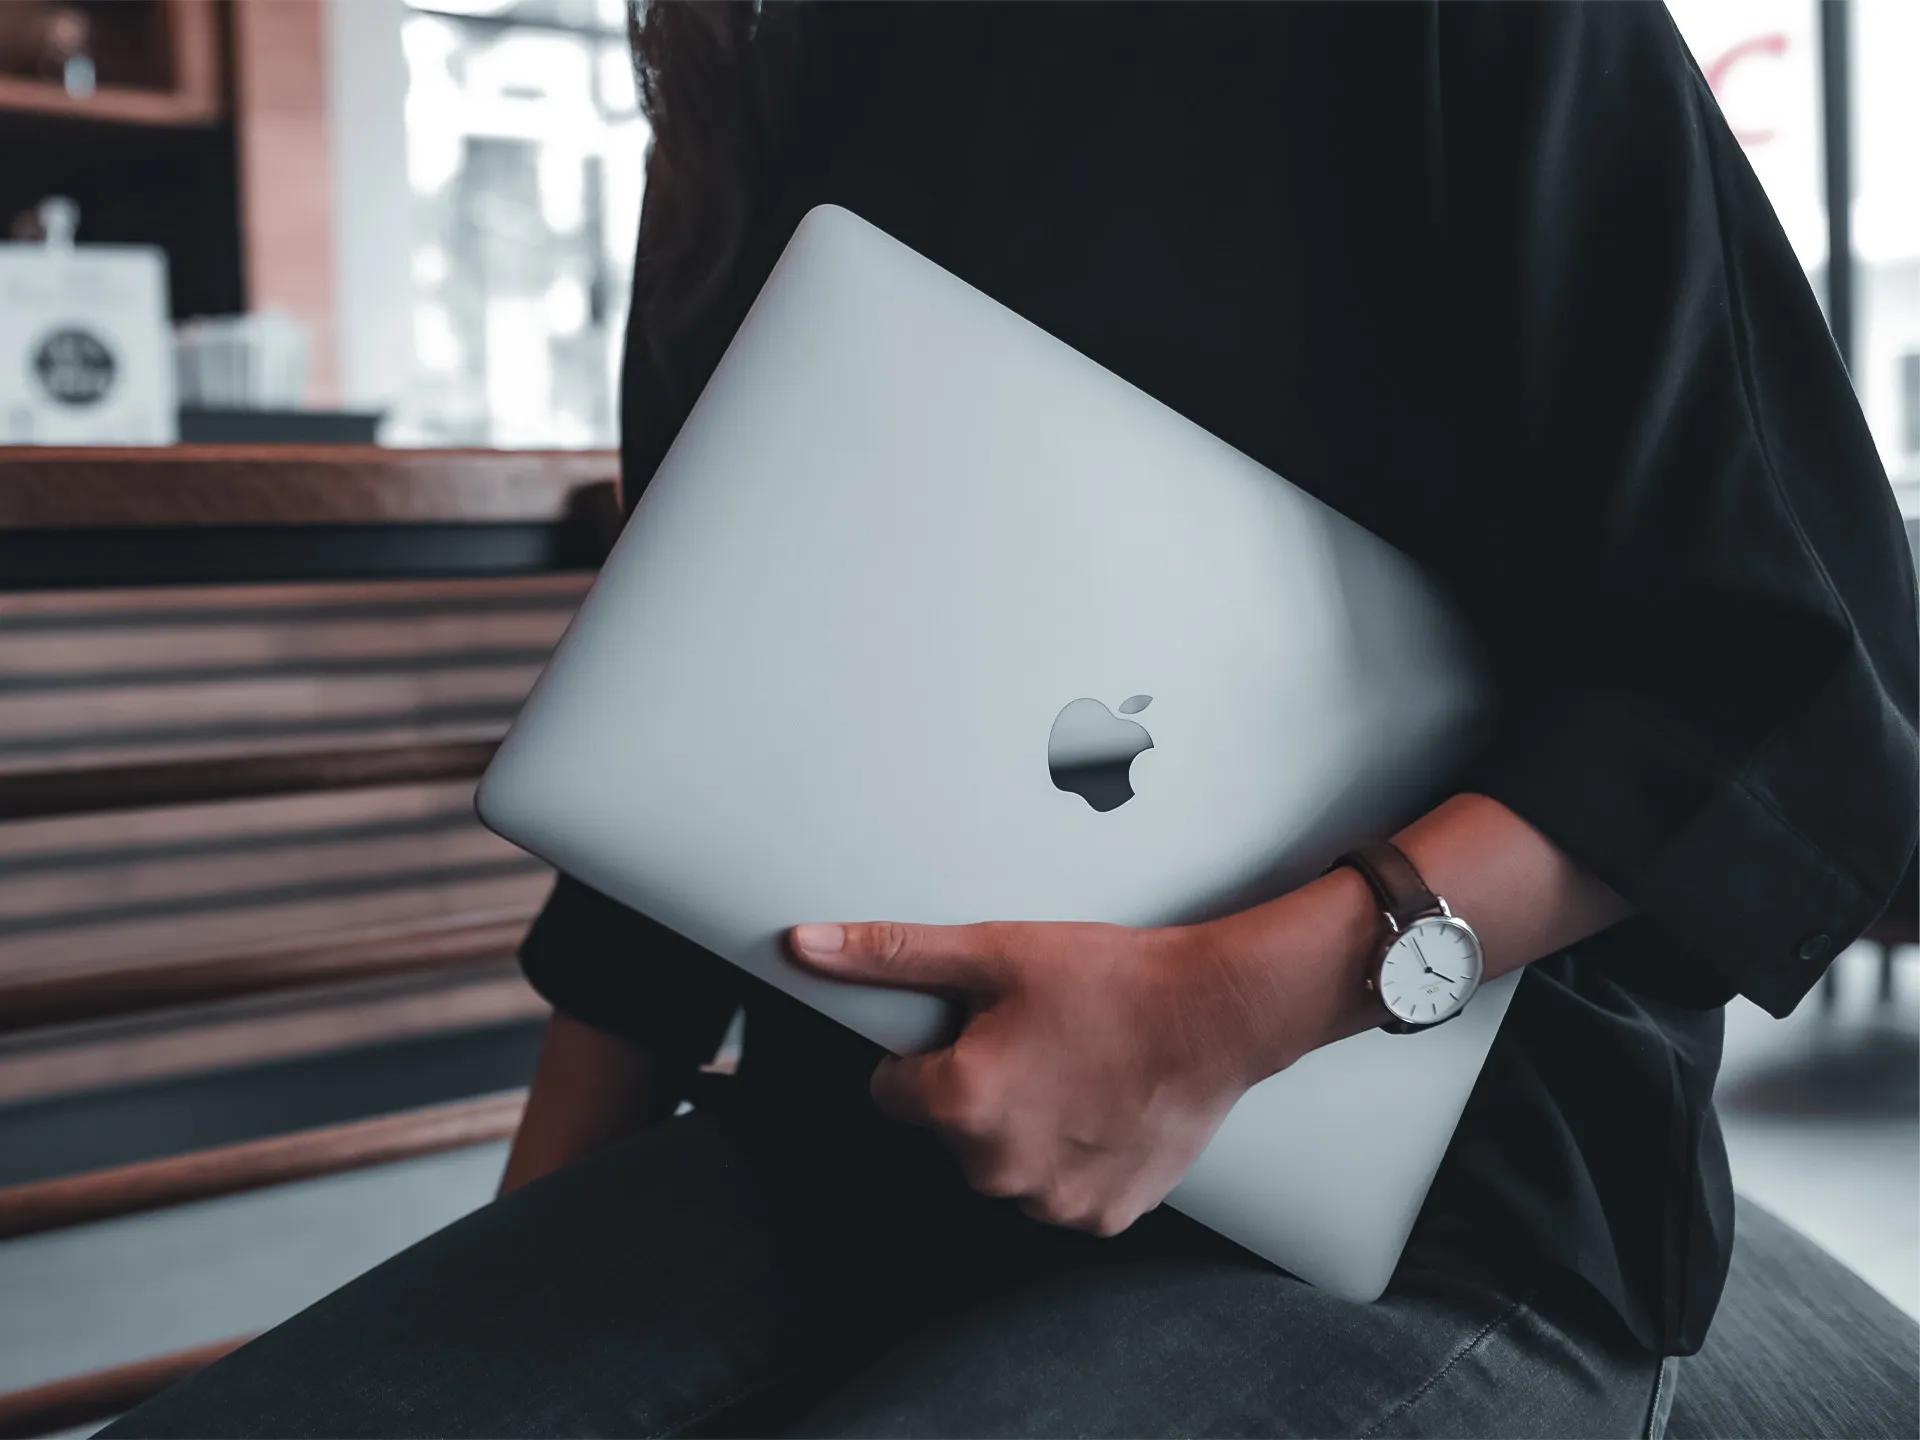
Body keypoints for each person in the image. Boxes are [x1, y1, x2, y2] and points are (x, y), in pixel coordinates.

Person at [110, 3, 1916, 1437]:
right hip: (841, 1154)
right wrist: (521, 1268)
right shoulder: (752, 69)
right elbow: (674, 766)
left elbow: (1794, 678)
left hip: (1442, 1213)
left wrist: (1227, 1007)